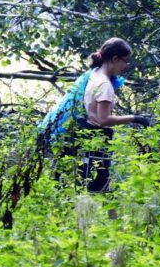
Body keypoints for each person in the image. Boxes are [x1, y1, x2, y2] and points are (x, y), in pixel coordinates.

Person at [39, 38, 151, 191]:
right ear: (115, 59)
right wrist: (136, 118)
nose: (126, 66)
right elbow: (103, 119)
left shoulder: (94, 73)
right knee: (97, 188)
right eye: (125, 61)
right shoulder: (104, 84)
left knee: (79, 181)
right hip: (96, 137)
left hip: (84, 131)